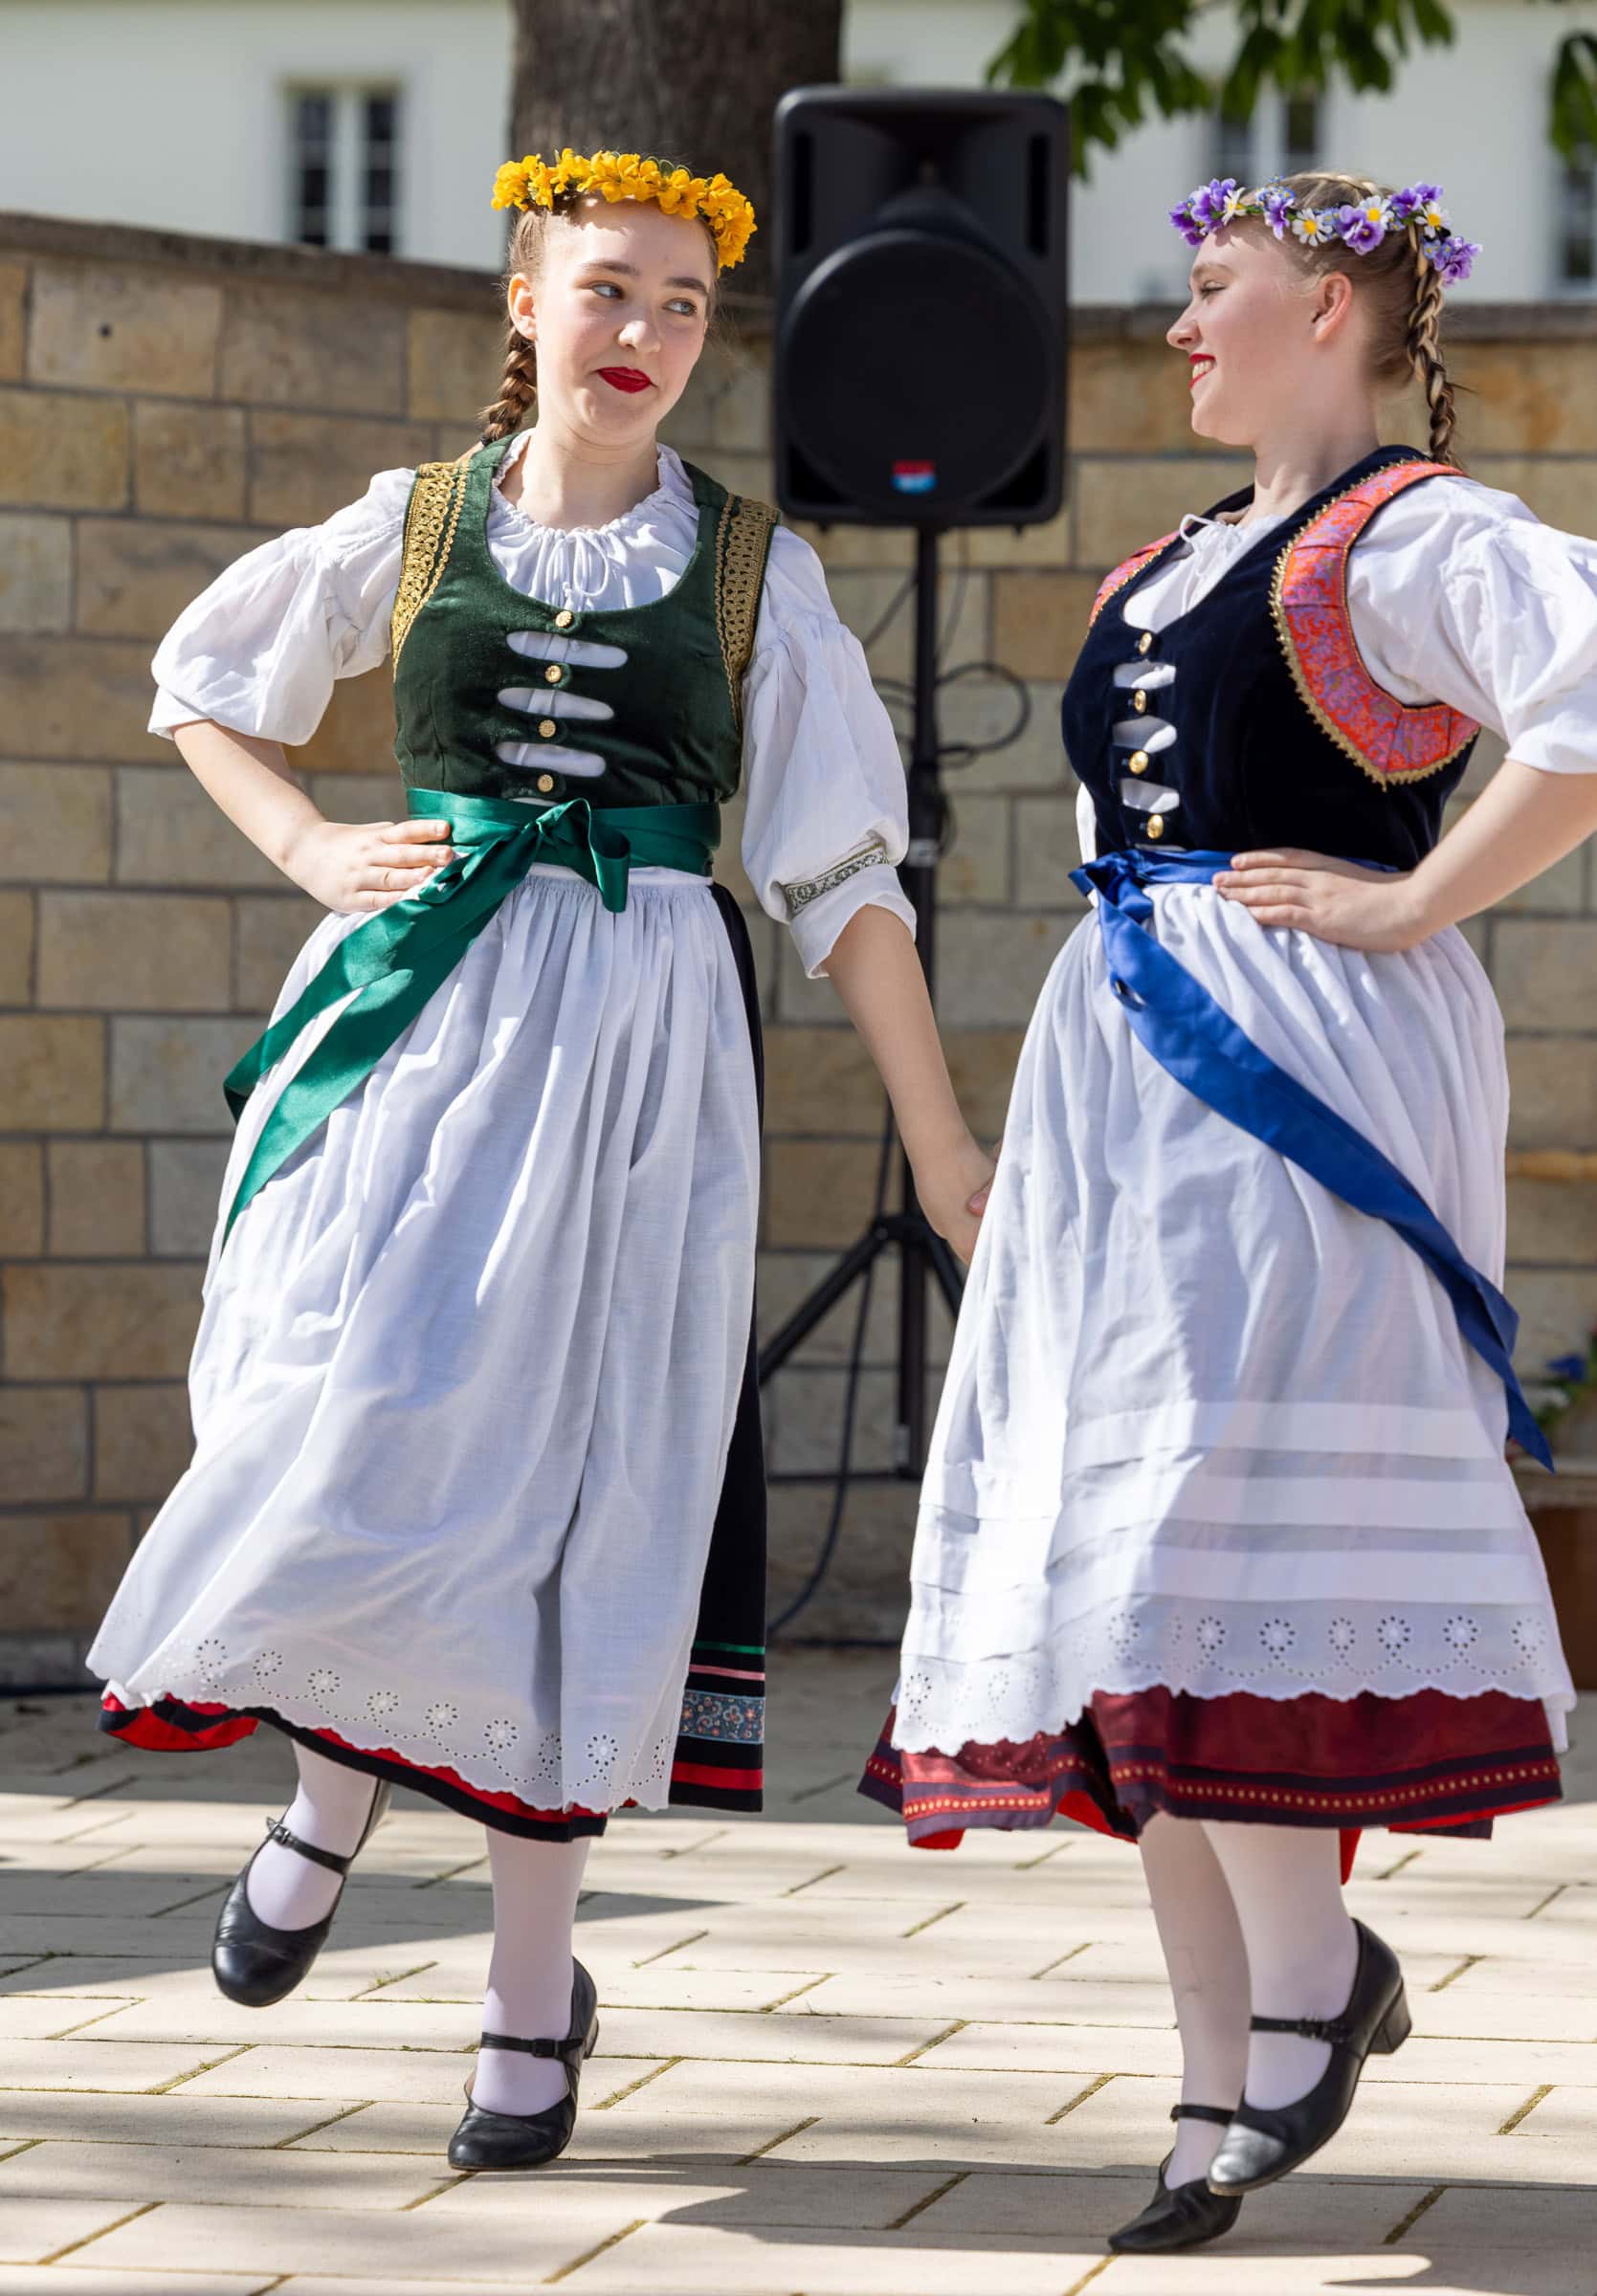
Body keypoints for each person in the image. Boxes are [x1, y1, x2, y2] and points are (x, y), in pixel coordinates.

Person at [88, 145, 992, 2173]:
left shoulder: (752, 571)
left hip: (637, 1057)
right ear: (524, 299)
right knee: (334, 1424)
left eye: (682, 305)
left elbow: (846, 879)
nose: (644, 333)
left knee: (576, 1499)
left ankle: (524, 1999)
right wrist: (309, 843)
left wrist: (939, 1139)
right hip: (417, 1017)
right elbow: (204, 686)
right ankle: (328, 1798)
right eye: (608, 289)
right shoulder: (416, 523)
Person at [861, 170, 1590, 2252]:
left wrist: (1414, 897)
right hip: (1123, 1070)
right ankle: (1217, 2079)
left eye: (1210, 288)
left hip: (1305, 1061)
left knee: (1201, 1523)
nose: (1177, 326)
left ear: (1332, 311)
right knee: (1118, 1557)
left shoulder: (1417, 534)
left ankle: (1307, 1988)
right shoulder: (1169, 559)